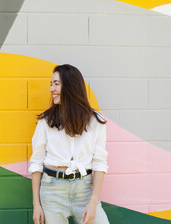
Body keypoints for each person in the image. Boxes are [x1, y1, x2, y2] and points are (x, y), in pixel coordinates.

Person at [29, 64, 110, 224]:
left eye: (56, 84)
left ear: (71, 86)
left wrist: (93, 202)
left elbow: (99, 163)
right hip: (52, 192)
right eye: (51, 84)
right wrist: (36, 205)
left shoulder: (95, 121)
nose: (52, 89)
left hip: (84, 191)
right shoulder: (46, 121)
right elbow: (36, 163)